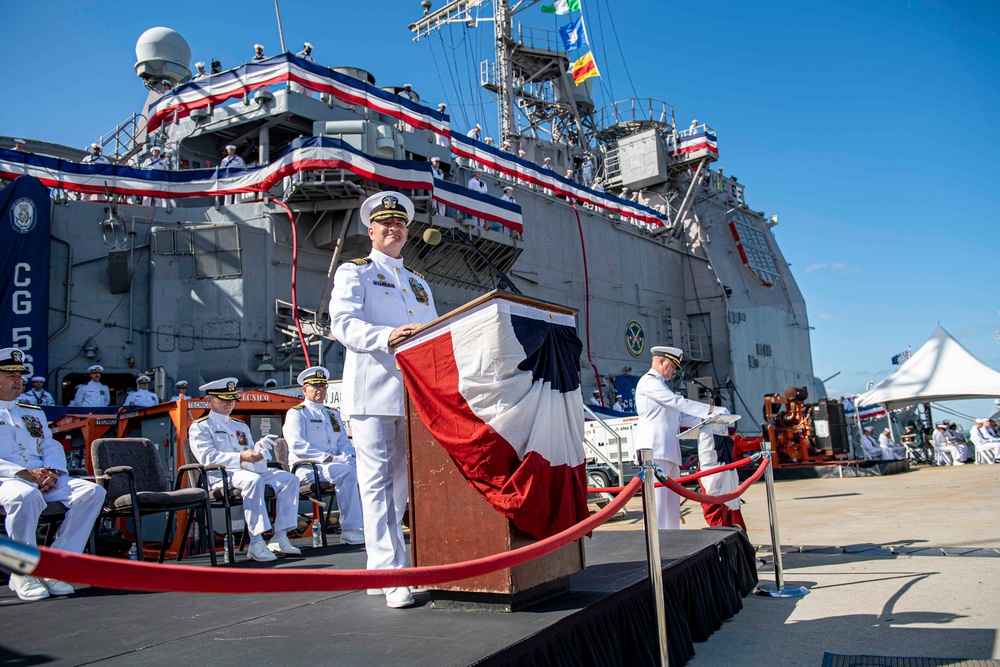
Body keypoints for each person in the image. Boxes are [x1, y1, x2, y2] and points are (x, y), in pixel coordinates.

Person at [329, 191, 438, 609]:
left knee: (400, 487)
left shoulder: (419, 284)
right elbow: (343, 324)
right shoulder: (354, 272)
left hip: (413, 394)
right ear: (370, 230)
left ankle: (381, 570)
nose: (393, 229)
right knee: (375, 484)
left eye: (400, 224)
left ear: (406, 231)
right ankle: (393, 576)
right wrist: (385, 336)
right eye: (385, 223)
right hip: (373, 392)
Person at [0, 348, 106, 601]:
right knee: (25, 496)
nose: (19, 380)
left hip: (42, 478)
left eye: (20, 375)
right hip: (6, 479)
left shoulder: (31, 411)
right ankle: (22, 571)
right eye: (10, 374)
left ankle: (55, 567)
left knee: (92, 491)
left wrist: (54, 472)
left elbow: (50, 445)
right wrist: (25, 474)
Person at [188, 377, 302, 562]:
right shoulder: (201, 427)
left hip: (246, 470)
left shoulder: (239, 426)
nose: (229, 403)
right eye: (223, 399)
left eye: (232, 398)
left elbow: (248, 452)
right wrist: (241, 457)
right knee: (253, 481)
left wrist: (259, 451)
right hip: (220, 475)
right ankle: (256, 542)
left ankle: (280, 536)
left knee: (289, 479)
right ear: (209, 400)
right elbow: (208, 458)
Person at [634, 346, 719, 529]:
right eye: (672, 366)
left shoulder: (662, 386)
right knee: (656, 507)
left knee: (672, 507)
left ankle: (673, 547)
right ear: (661, 361)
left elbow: (680, 416)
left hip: (670, 452)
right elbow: (676, 402)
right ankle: (654, 550)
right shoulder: (649, 382)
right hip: (654, 452)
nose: (674, 371)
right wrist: (709, 409)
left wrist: (712, 419)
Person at [282, 366, 365, 545]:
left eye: (323, 386)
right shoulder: (297, 413)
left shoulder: (331, 414)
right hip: (307, 467)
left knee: (363, 469)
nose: (321, 390)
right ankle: (350, 529)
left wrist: (348, 456)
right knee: (347, 473)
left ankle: (367, 524)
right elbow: (298, 446)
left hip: (334, 466)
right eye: (315, 386)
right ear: (305, 390)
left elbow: (343, 441)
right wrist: (332, 459)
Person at [696, 422, 745, 530]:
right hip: (711, 434)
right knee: (716, 491)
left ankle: (730, 534)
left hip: (715, 433)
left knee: (723, 489)